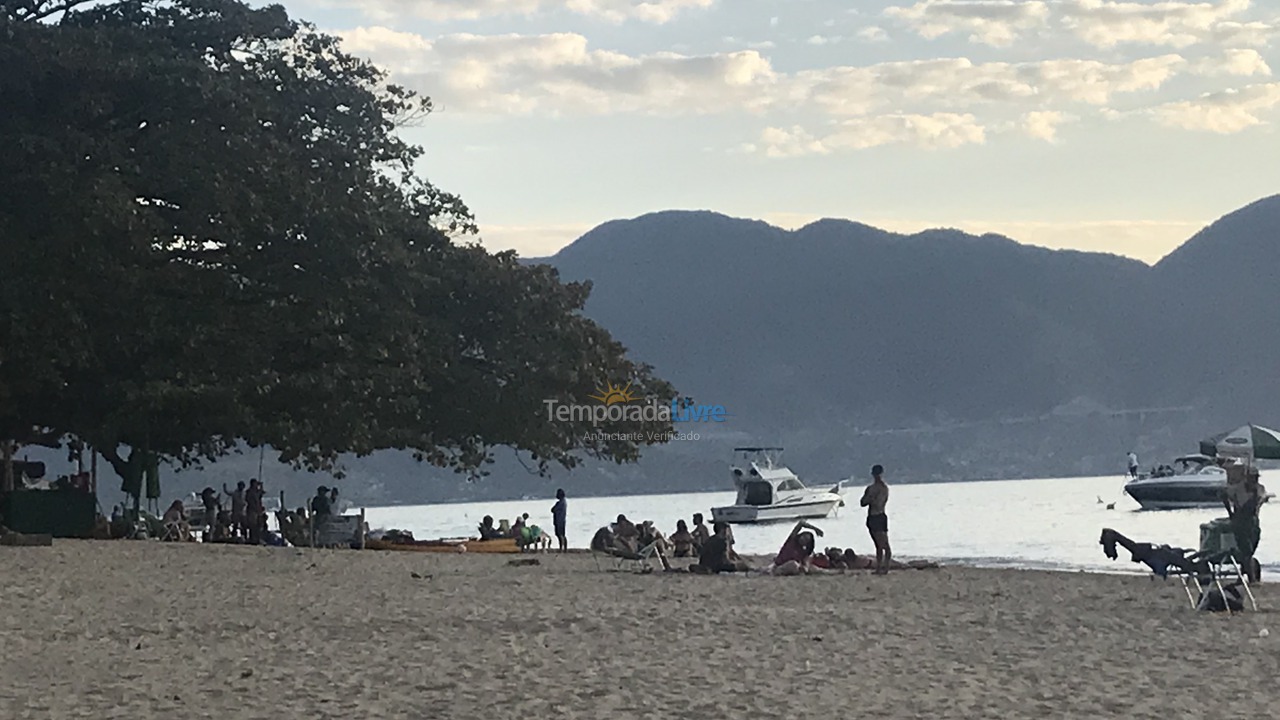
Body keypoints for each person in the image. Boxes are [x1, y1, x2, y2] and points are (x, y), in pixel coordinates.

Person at [860, 464, 892, 574]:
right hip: (872, 517)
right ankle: (879, 567)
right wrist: (869, 499)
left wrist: (871, 499)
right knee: (878, 545)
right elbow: (863, 502)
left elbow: (879, 503)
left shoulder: (883, 488)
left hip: (879, 516)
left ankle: (886, 567)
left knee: (885, 544)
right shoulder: (870, 488)